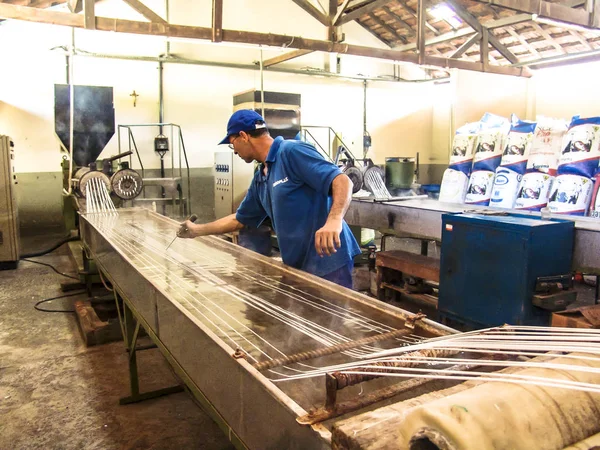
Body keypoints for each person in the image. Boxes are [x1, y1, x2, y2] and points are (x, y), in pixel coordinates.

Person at [177, 109, 361, 288]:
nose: (234, 152)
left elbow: (343, 181)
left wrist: (334, 221)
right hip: (298, 266)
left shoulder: (291, 152)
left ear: (244, 136)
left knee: (330, 317)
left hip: (328, 260)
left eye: (233, 144)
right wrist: (197, 231)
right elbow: (238, 220)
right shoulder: (261, 176)